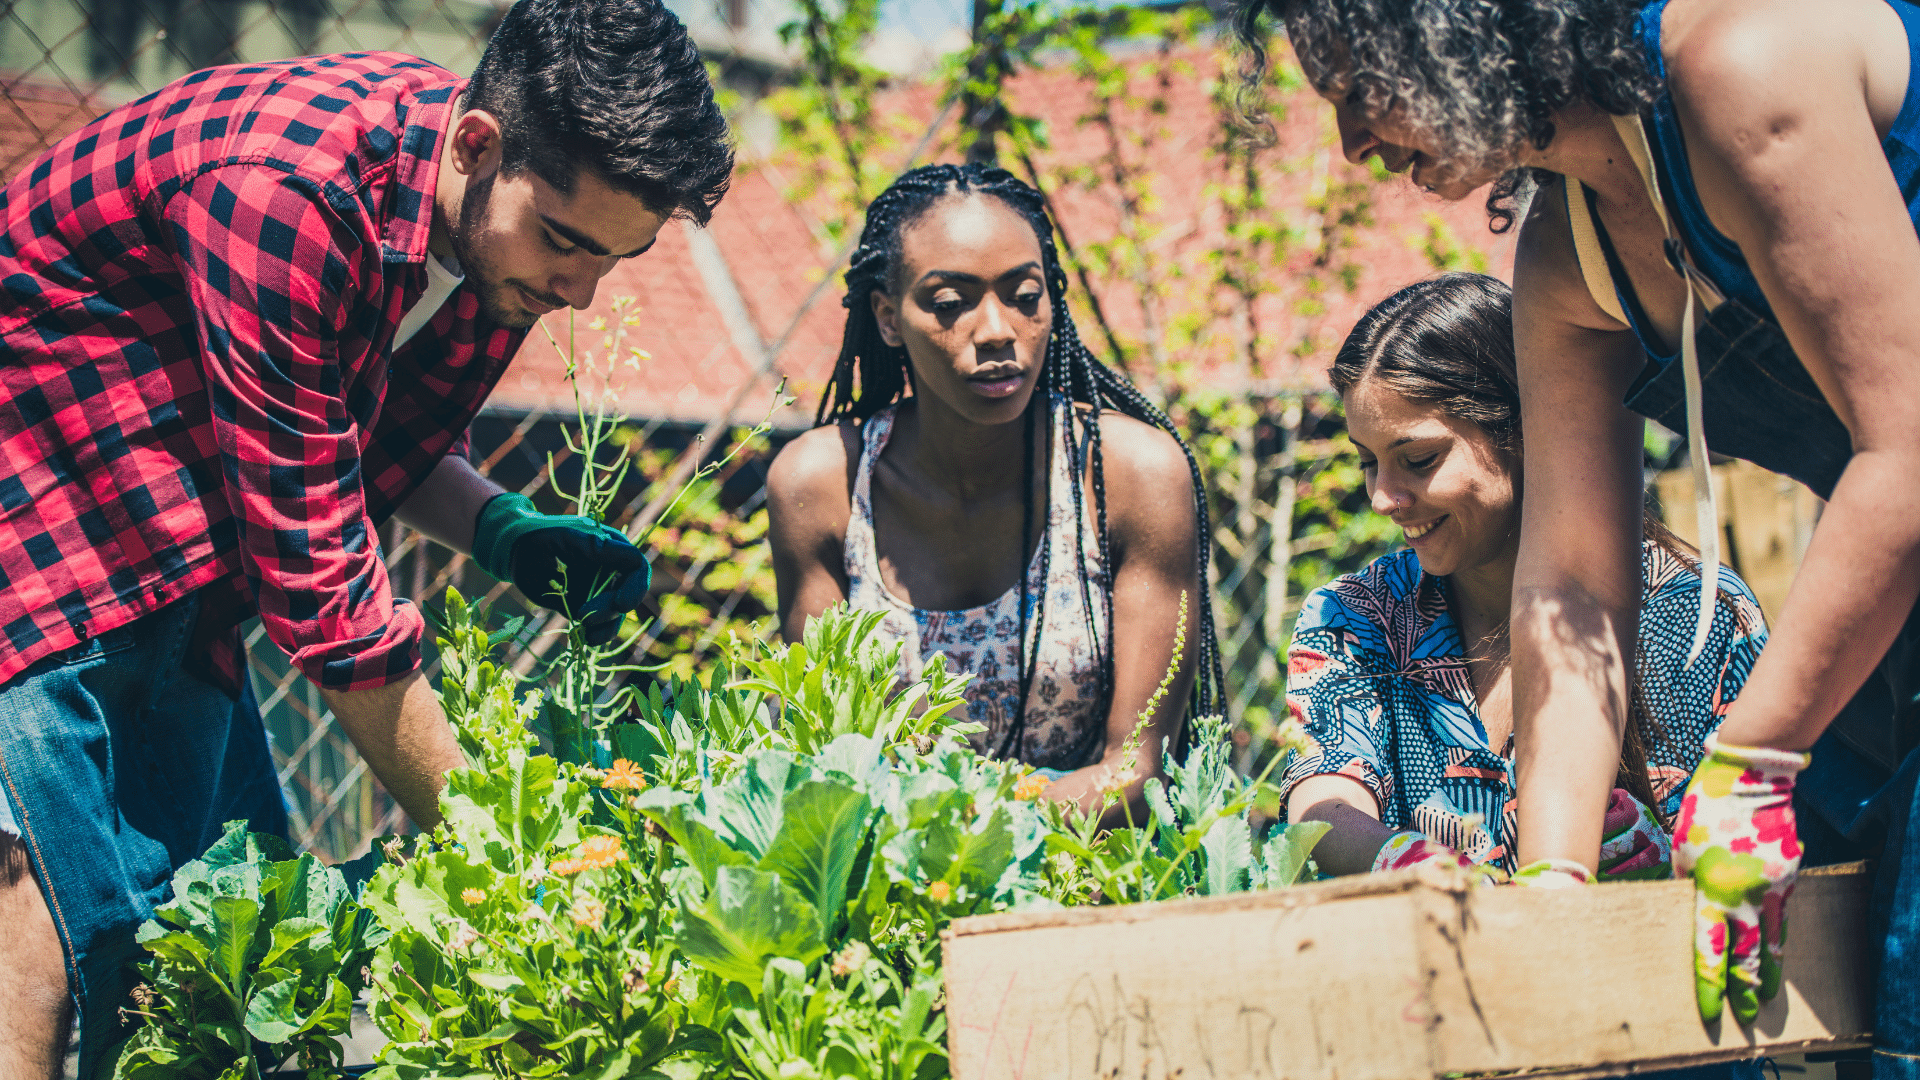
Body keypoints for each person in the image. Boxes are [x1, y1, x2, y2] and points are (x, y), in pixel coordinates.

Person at [0, 0, 733, 1071]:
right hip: (41, 531)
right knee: (60, 939)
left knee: (218, 955)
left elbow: (350, 431)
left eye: (613, 263)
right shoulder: (286, 191)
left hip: (174, 563)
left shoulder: (482, 229)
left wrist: (500, 525)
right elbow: (322, 595)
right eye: (570, 244)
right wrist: (499, 850)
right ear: (478, 143)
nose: (579, 291)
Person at [1236, 0, 1920, 1056]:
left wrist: (1754, 758)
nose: (1354, 143)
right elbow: (1570, 597)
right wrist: (1555, 884)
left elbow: (1910, 449)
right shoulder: (1567, 253)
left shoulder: (1743, 63)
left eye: (1357, 85)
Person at [766, 162, 1225, 823]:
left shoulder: (1128, 476)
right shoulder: (824, 485)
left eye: (1025, 296)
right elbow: (826, 753)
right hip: (893, 894)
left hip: (1090, 878)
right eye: (950, 303)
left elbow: (1136, 773)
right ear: (888, 317)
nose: (997, 330)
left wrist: (962, 826)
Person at [1284, 273, 1765, 893]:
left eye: (1418, 459)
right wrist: (1399, 861)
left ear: (1521, 430)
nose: (1383, 497)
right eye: (1367, 461)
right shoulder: (1356, 619)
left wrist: (1660, 861)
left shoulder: (1693, 614)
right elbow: (1323, 797)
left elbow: (1744, 837)